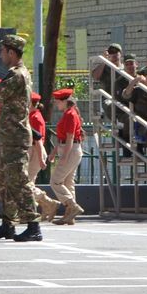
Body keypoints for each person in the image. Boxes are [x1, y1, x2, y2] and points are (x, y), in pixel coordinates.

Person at [0, 34, 42, 242]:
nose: (0, 54)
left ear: (11, 52)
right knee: (4, 182)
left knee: (19, 181)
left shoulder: (17, 75)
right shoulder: (17, 73)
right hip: (10, 136)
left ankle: (33, 224)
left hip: (15, 137)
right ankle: (8, 224)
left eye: (3, 51)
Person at [46, 89, 84, 225]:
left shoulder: (70, 115)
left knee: (55, 181)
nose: (56, 104)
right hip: (69, 149)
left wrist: (64, 156)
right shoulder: (68, 114)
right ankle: (70, 216)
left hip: (70, 150)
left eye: (57, 101)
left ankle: (72, 206)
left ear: (64, 101)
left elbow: (70, 137)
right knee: (68, 183)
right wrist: (54, 152)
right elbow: (62, 138)